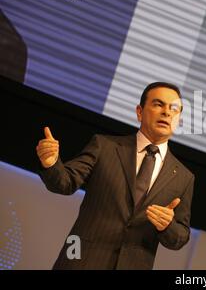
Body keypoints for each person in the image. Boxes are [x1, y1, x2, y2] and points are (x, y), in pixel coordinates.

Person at [36, 82, 195, 269]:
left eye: (174, 109)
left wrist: (167, 226)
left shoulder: (184, 177)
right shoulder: (105, 146)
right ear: (139, 112)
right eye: (158, 104)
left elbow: (181, 236)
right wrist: (51, 163)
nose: (167, 112)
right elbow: (65, 183)